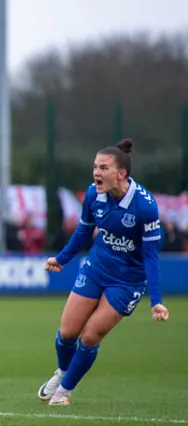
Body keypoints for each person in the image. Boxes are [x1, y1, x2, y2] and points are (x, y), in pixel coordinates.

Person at [38, 139, 169, 406]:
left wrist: (155, 301)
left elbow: (151, 255)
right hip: (97, 267)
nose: (96, 172)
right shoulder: (93, 194)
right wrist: (62, 259)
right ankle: (63, 371)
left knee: (90, 335)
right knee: (67, 333)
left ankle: (64, 391)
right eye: (95, 166)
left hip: (127, 280)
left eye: (104, 168)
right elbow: (84, 230)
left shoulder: (145, 206)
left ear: (121, 173)